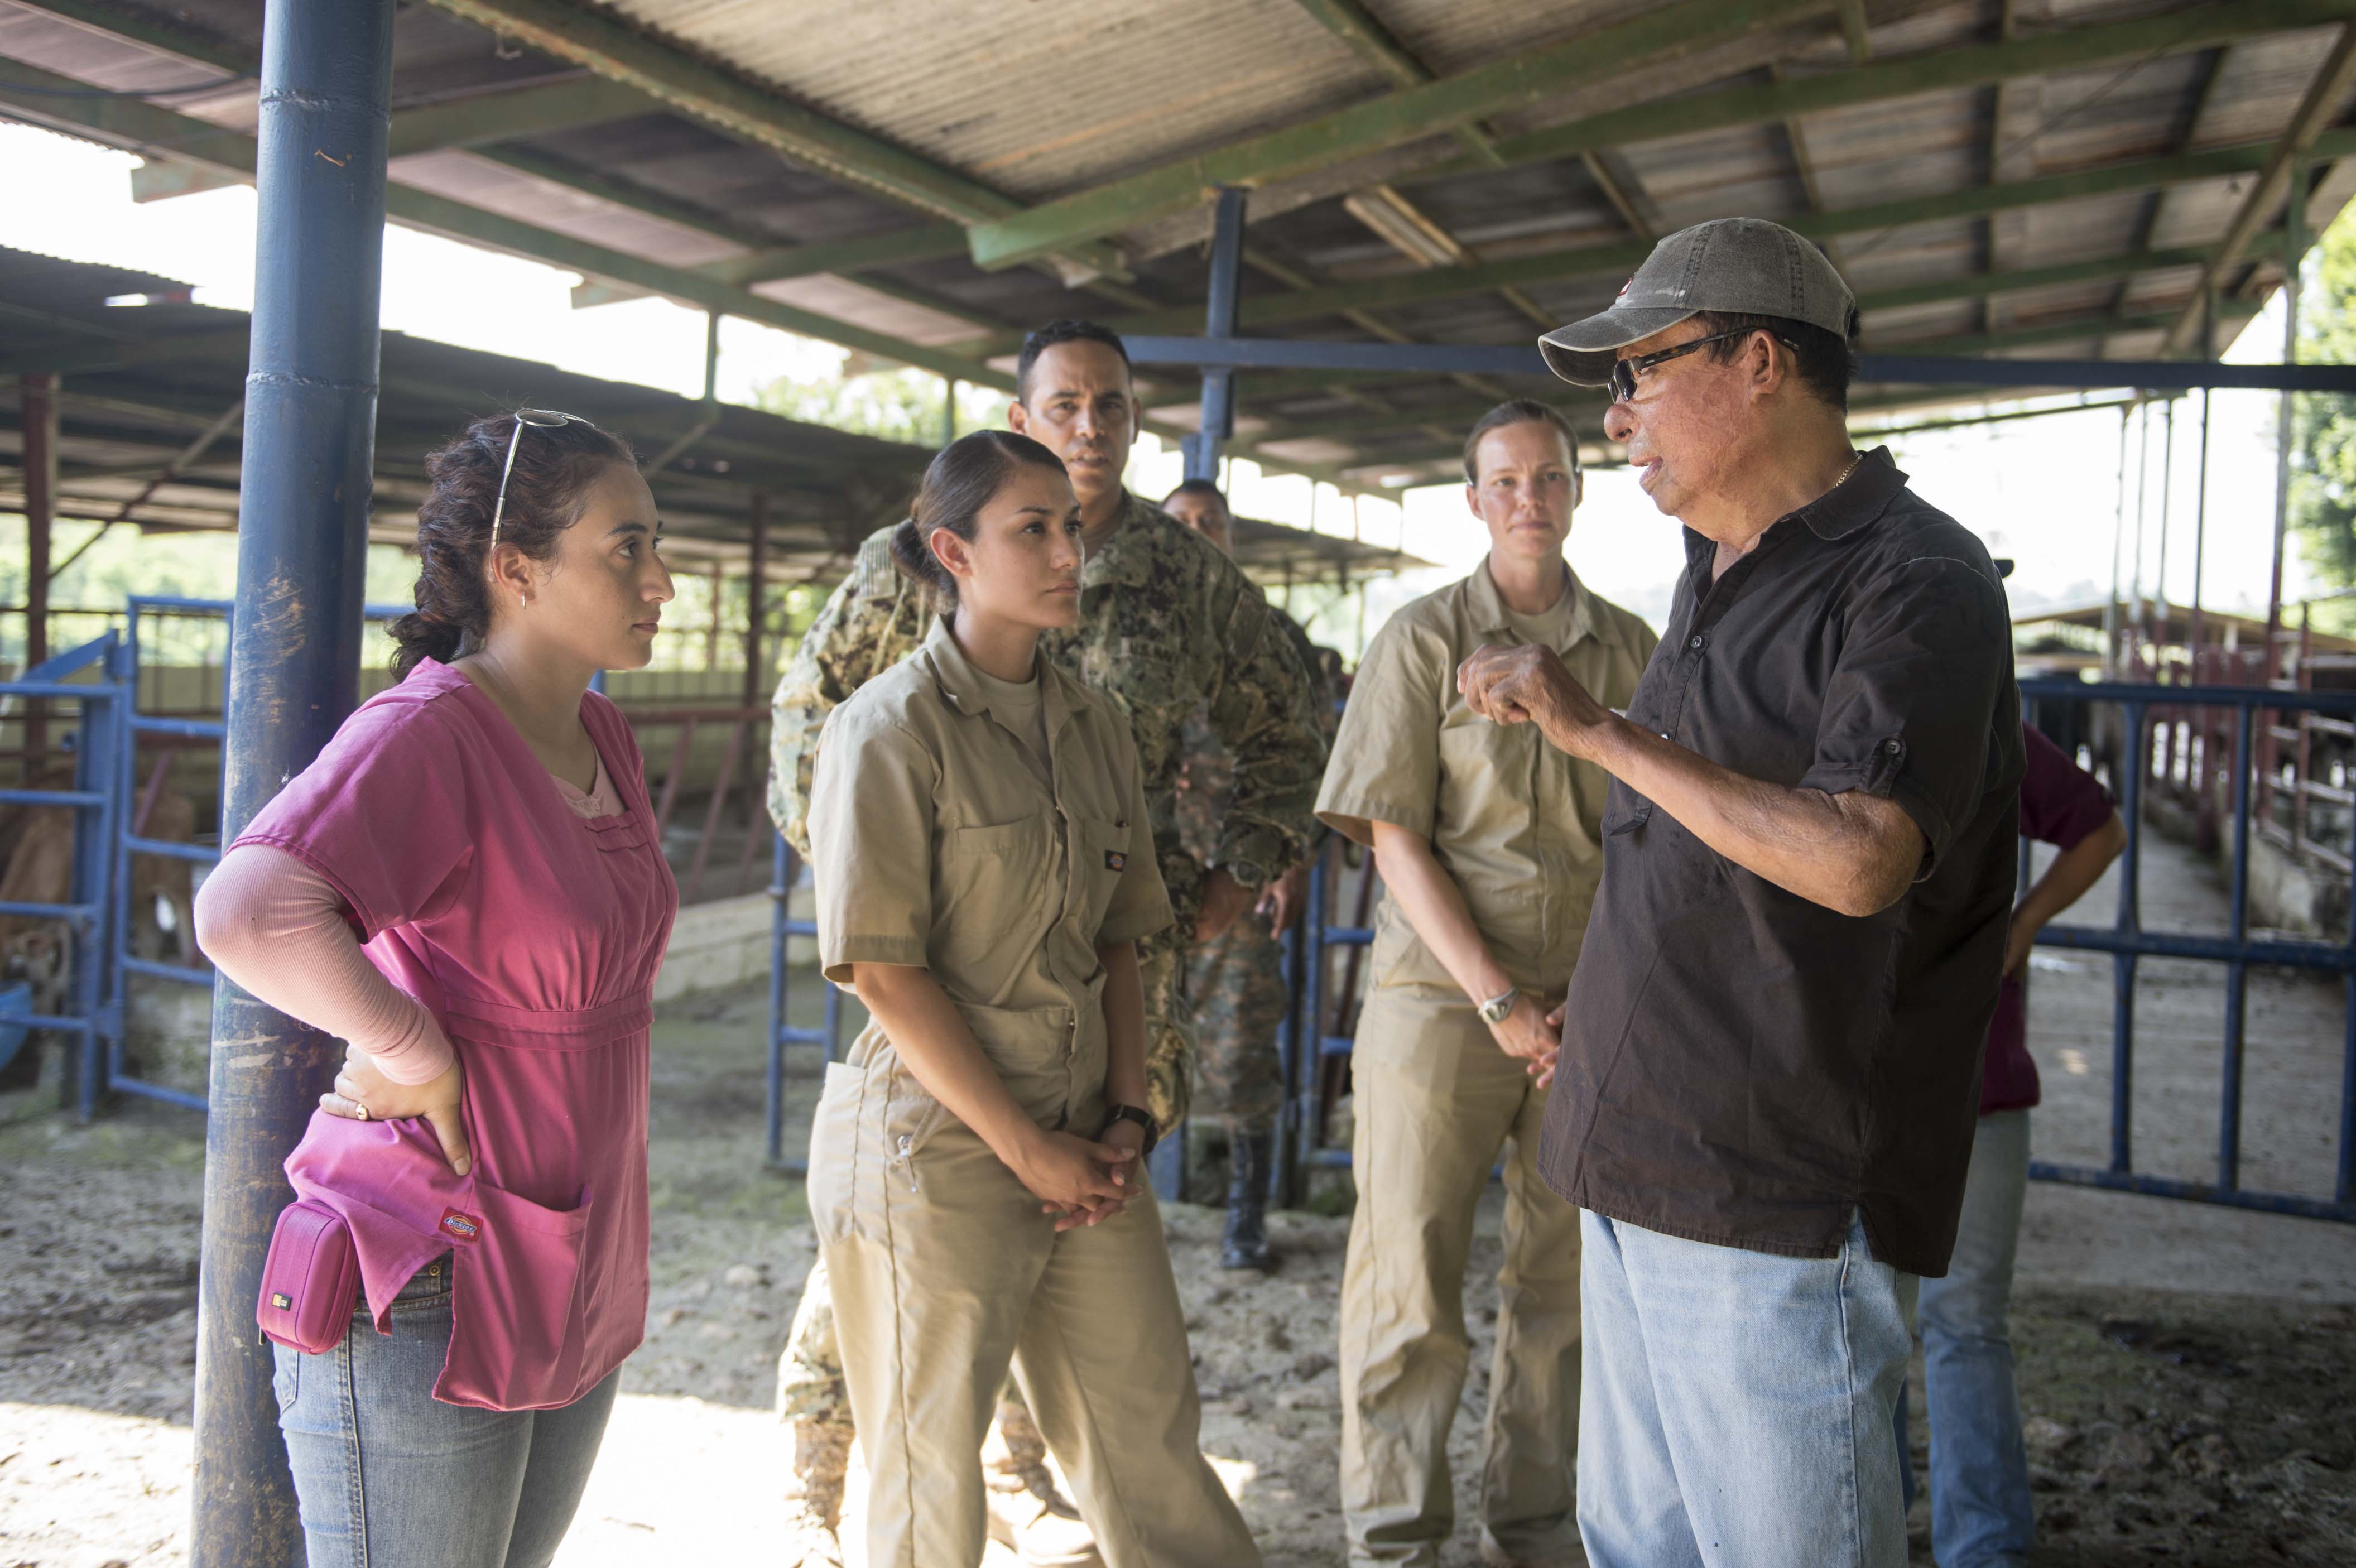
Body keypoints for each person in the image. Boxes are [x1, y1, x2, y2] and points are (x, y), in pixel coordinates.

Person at [1456, 217, 2024, 1568]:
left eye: (1641, 371)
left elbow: (1856, 855)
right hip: (1634, 1153)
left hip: (1774, 1186)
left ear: (1758, 361)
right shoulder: (1714, 566)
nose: (1615, 417)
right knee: (1638, 1546)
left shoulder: (1914, 575)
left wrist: (1599, 734)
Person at [768, 320, 1326, 1564]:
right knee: (926, 1470)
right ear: (955, 550)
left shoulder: (1098, 705)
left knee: (1145, 1439)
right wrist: (876, 877)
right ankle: (814, 1475)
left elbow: (1137, 923)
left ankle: (1041, 1479)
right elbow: (876, 947)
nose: (1073, 535)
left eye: (1110, 407)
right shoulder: (890, 714)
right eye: (1039, 525)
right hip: (941, 1113)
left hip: (1089, 1093)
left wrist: (1123, 1117)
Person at [191, 411, 680, 1566]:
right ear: (516, 568)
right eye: (627, 547)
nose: (661, 577)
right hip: (428, 1257)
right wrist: (412, 1047)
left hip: (569, 1244)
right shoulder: (432, 728)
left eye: (654, 546)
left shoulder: (600, 732)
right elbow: (247, 908)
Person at [1315, 401, 1656, 1567]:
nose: (1528, 498)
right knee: (1407, 1278)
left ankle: (1534, 1528)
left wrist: (1583, 1006)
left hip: (1585, 1008)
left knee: (1559, 1285)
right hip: (1442, 1007)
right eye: (1503, 481)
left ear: (1575, 491)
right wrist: (1504, 1006)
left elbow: (1650, 842)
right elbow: (1391, 837)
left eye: (1549, 477)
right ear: (1472, 501)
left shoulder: (1627, 651)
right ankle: (1396, 1538)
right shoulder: (1418, 640)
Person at [1895, 715, 2126, 1568]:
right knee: (1869, 1315)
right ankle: (1881, 1522)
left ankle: (1980, 1544)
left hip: (1974, 1075)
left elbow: (2099, 827)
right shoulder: (1829, 714)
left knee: (1961, 1318)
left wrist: (2021, 926)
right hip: (1852, 1084)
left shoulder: (1994, 734)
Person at [1162, 477, 1334, 1271]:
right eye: (1181, 523)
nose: (1198, 533)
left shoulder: (1271, 635)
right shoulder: (1134, 626)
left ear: (1231, 534)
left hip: (1241, 869)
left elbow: (1307, 759)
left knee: (1239, 1049)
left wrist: (1289, 858)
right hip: (1142, 872)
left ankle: (1244, 1214)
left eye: (1210, 521)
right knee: (1117, 1044)